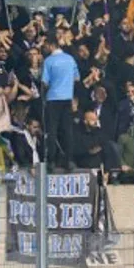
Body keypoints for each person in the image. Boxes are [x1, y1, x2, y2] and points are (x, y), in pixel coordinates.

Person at [41, 37, 80, 169]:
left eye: (46, 45)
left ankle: (51, 161)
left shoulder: (48, 61)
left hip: (52, 98)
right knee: (67, 130)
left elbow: (44, 82)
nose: (44, 48)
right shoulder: (70, 59)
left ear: (52, 45)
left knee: (52, 131)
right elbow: (76, 78)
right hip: (67, 98)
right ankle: (69, 160)